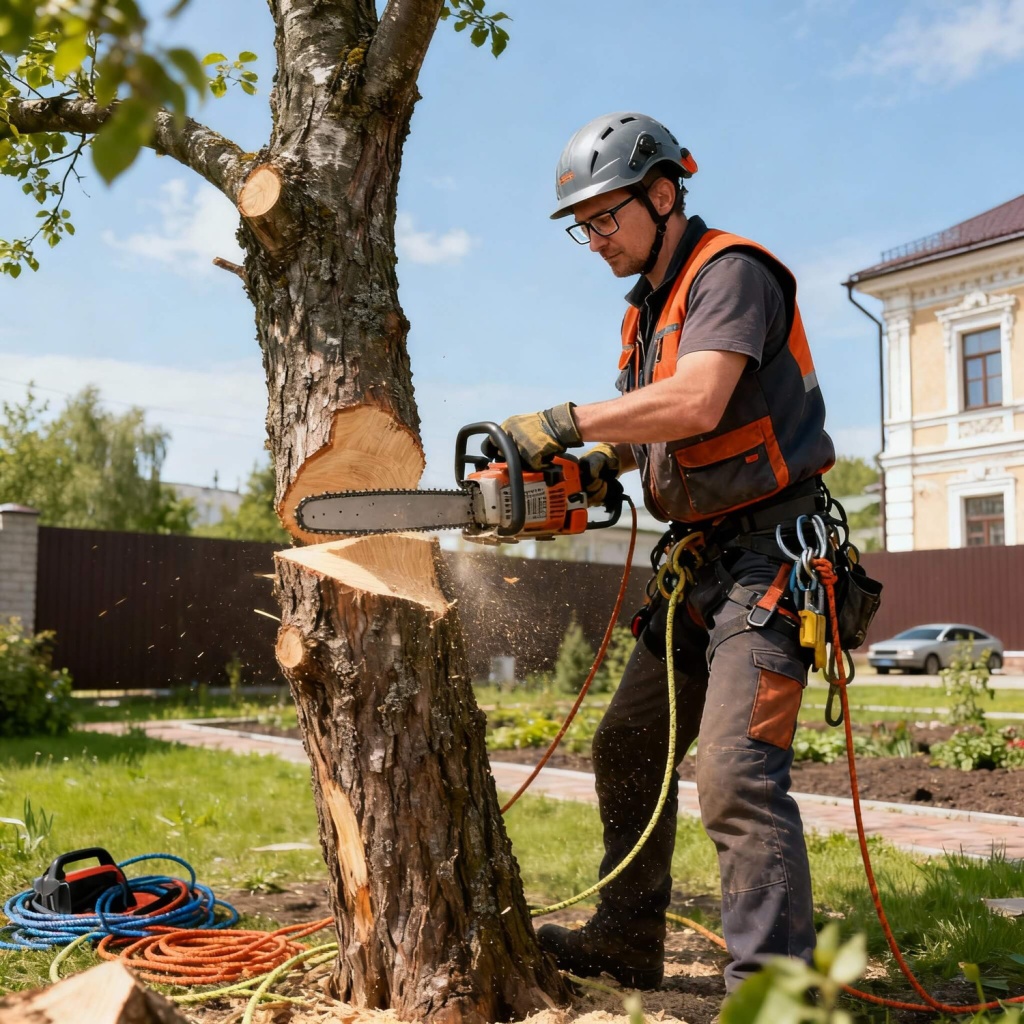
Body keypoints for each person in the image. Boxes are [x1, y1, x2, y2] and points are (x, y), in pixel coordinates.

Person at [493, 112, 836, 993]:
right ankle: (627, 937)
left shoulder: (731, 273)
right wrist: (599, 466)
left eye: (608, 217)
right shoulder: (643, 316)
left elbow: (697, 401)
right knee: (628, 742)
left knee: (733, 775)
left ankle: (773, 997)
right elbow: (660, 437)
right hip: (699, 562)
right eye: (585, 225)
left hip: (771, 559)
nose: (596, 237)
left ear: (662, 192)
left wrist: (568, 423)